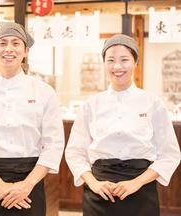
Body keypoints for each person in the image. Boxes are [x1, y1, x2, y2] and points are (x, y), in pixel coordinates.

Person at [65, 34, 181, 216]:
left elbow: (170, 154)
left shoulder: (152, 102)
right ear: (104, 64)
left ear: (135, 62)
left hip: (140, 189)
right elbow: (74, 152)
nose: (117, 66)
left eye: (124, 60)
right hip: (99, 189)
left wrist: (137, 182)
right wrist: (94, 183)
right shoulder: (91, 104)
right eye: (110, 60)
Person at [0, 22, 64, 216]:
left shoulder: (44, 92)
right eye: (3, 43)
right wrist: (1, 186)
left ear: (25, 51)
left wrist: (26, 185)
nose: (9, 49)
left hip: (31, 182)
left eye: (16, 43)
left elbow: (54, 144)